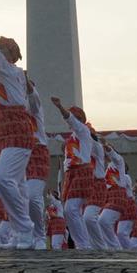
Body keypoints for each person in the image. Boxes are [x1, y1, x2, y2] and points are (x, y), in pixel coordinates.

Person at [0, 22, 38, 249]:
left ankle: (24, 229)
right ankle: (18, 234)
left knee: (2, 179)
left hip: (15, 129)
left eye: (4, 49)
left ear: (10, 55)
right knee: (18, 185)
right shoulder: (8, 72)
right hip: (6, 129)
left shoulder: (8, 70)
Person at [51, 96, 95, 249]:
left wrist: (60, 107)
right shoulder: (74, 137)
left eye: (74, 117)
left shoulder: (83, 130)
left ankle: (84, 244)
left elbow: (71, 120)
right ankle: (81, 244)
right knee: (70, 210)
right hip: (72, 173)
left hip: (81, 171)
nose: (70, 121)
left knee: (71, 209)